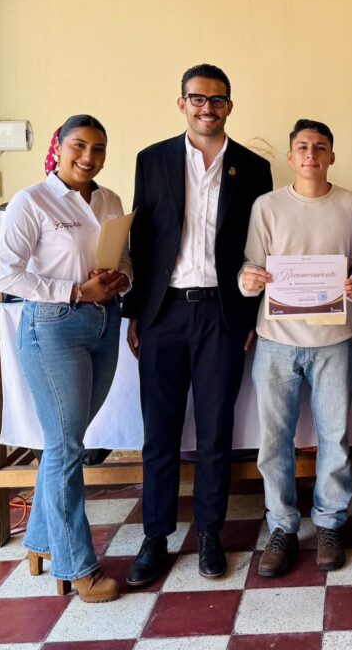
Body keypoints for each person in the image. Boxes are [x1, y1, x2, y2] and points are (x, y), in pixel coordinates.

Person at [122, 63, 273, 586]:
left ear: (230, 105)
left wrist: (251, 316)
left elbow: (259, 247)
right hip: (163, 313)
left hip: (223, 313)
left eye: (217, 99)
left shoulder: (253, 168)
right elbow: (142, 239)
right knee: (159, 433)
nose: (208, 108)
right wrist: (136, 312)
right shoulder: (152, 160)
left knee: (215, 431)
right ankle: (155, 537)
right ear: (182, 103)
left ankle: (210, 533)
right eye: (198, 98)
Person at [0, 114, 131, 602]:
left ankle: (40, 541)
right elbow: (6, 275)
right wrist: (75, 290)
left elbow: (124, 261)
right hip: (54, 327)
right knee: (67, 448)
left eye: (98, 148)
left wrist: (120, 281)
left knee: (64, 443)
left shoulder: (110, 200)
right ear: (59, 147)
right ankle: (77, 568)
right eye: (79, 146)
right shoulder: (32, 200)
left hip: (105, 324)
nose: (88, 157)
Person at [239, 119, 352, 576]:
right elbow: (250, 267)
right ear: (290, 156)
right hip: (276, 341)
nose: (311, 154)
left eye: (320, 147)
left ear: (332, 155)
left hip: (334, 341)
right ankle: (282, 525)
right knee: (275, 440)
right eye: (303, 147)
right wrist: (249, 279)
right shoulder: (267, 206)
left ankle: (330, 522)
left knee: (335, 436)